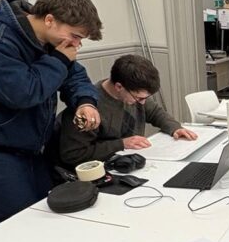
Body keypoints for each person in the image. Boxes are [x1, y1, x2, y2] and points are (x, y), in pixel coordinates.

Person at [0, 0, 102, 227]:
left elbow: (74, 76)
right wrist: (60, 61)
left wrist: (85, 102)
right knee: (16, 230)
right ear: (50, 20)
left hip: (30, 149)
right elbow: (23, 93)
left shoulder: (52, 42)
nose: (76, 44)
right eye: (75, 36)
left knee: (45, 220)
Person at [57, 54, 196, 167]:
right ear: (119, 86)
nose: (143, 103)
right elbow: (73, 154)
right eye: (139, 98)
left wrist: (175, 128)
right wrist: (121, 144)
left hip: (127, 164)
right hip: (94, 174)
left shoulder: (132, 94)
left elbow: (155, 112)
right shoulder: (86, 107)